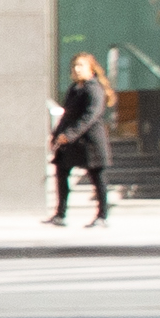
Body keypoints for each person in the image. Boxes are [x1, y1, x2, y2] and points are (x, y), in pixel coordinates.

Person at [49, 51, 115, 225]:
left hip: (91, 143)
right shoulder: (74, 88)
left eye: (81, 66)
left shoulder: (94, 89)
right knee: (61, 172)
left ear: (91, 69)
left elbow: (90, 117)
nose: (77, 69)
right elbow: (67, 114)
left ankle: (102, 216)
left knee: (98, 178)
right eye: (74, 66)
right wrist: (57, 135)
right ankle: (60, 214)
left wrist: (69, 135)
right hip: (73, 143)